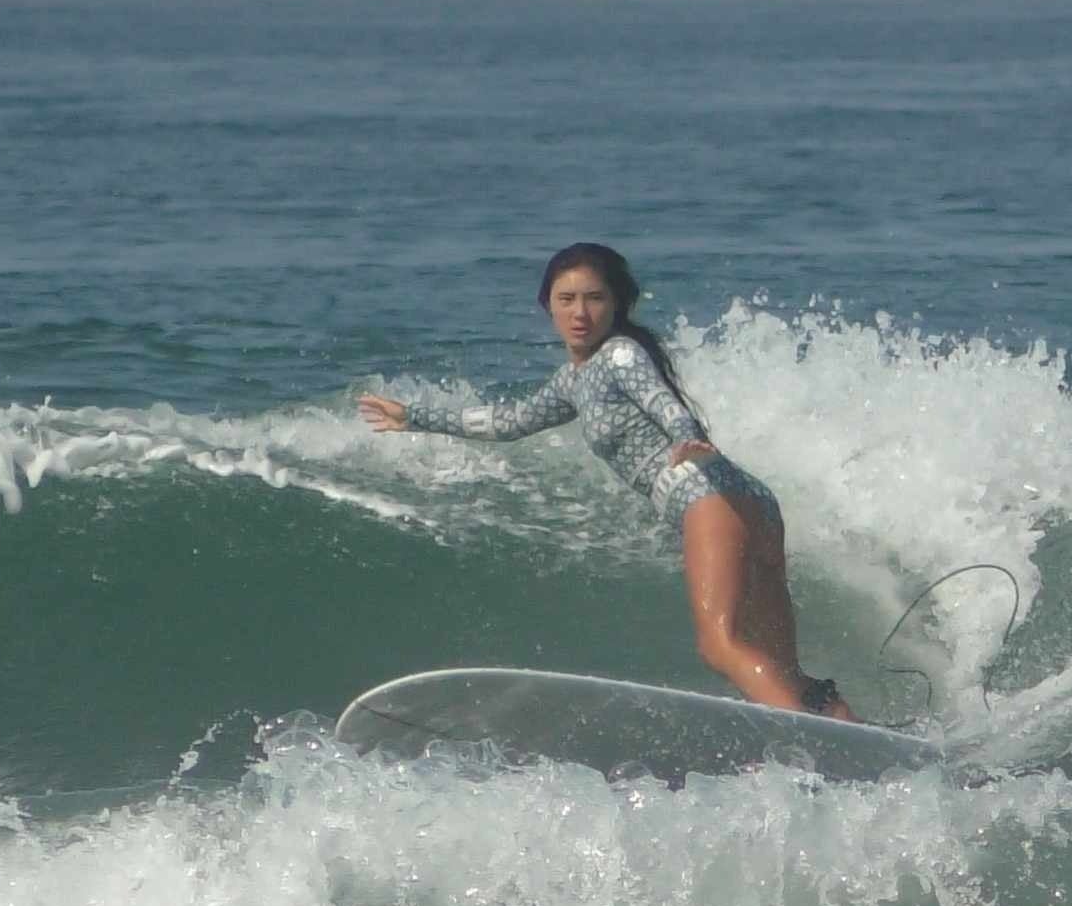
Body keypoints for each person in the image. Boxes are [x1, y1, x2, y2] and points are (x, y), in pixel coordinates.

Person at [357, 243, 857, 721]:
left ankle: (810, 748)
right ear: (547, 306)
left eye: (595, 298)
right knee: (780, 665)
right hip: (749, 500)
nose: (580, 312)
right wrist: (414, 416)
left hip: (707, 496)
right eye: (567, 299)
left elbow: (660, 401)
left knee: (719, 644)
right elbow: (508, 422)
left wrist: (688, 435)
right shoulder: (574, 380)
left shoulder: (620, 355)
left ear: (618, 304)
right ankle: (845, 728)